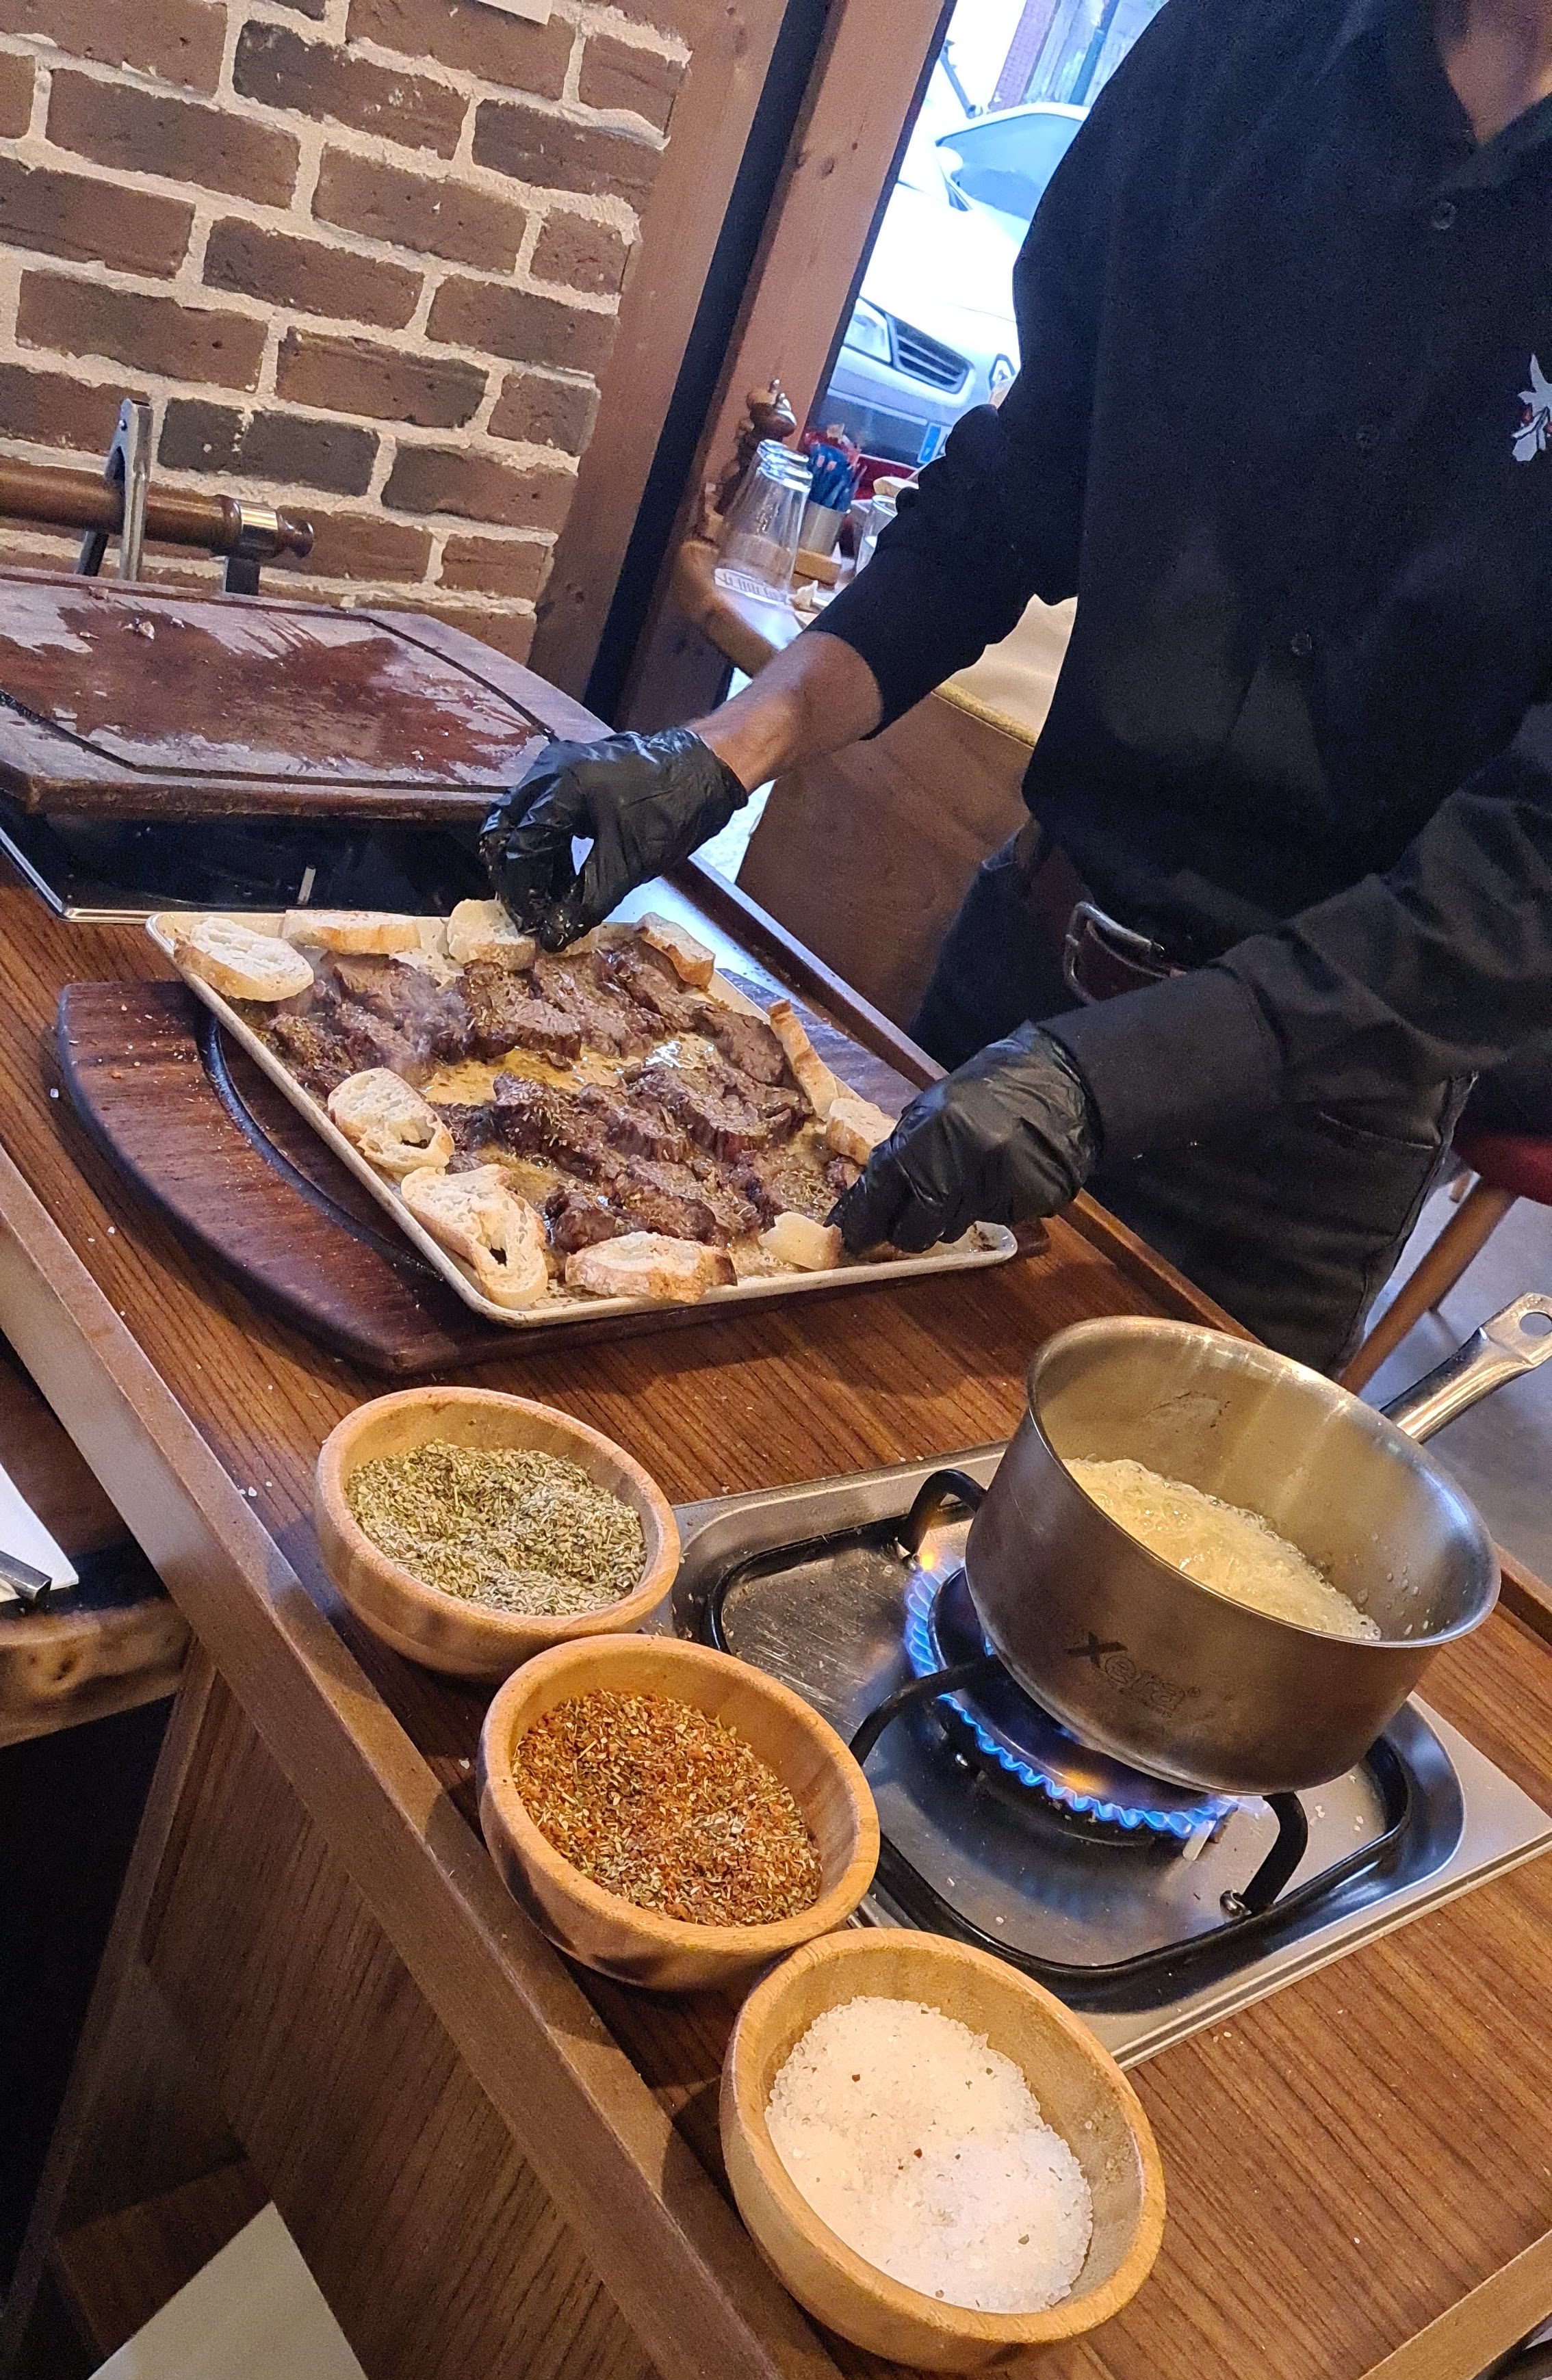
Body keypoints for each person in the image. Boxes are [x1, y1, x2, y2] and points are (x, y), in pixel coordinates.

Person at [480, 0, 1552, 1372]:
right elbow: (1027, 477)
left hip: (1304, 1137)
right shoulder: (1232, 49)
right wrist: (730, 745)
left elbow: (1530, 874)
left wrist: (1115, 1078)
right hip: (1019, 978)